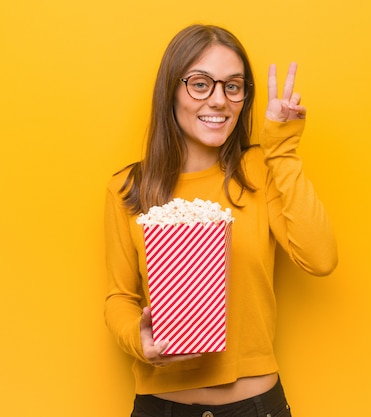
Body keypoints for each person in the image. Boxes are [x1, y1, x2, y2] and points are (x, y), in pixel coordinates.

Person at [104, 24, 338, 417]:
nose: (219, 100)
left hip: (255, 406)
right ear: (171, 91)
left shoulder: (259, 172)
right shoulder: (129, 188)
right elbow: (120, 298)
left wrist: (282, 148)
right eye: (200, 84)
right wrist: (137, 339)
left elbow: (320, 258)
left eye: (233, 86)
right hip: (160, 407)